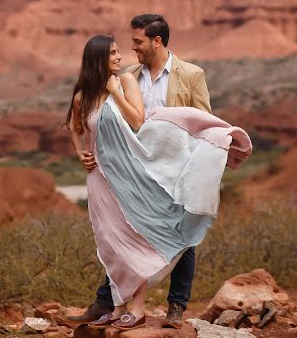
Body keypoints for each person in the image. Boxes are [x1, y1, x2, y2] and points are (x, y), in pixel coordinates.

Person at [65, 28, 251, 330]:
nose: (121, 54)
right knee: (110, 241)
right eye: (112, 52)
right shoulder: (82, 96)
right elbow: (75, 128)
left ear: (157, 40)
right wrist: (80, 153)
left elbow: (139, 119)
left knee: (141, 235)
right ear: (97, 58)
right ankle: (116, 305)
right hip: (99, 177)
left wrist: (115, 93)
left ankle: (152, 307)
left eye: (126, 47)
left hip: (138, 169)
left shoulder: (129, 80)